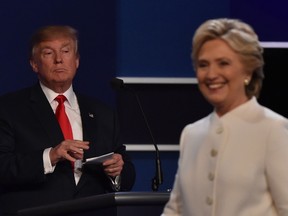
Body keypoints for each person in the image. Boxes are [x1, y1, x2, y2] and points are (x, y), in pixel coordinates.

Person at [0, 25, 135, 215]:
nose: (59, 59)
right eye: (48, 53)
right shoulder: (9, 108)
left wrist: (117, 171)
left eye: (66, 51)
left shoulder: (102, 113)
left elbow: (126, 172)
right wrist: (50, 156)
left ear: (77, 60)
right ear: (34, 64)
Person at [162, 18, 288, 215]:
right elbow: (175, 210)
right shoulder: (191, 134)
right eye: (203, 65)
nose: (211, 74)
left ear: (248, 70)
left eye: (223, 63)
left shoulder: (274, 129)